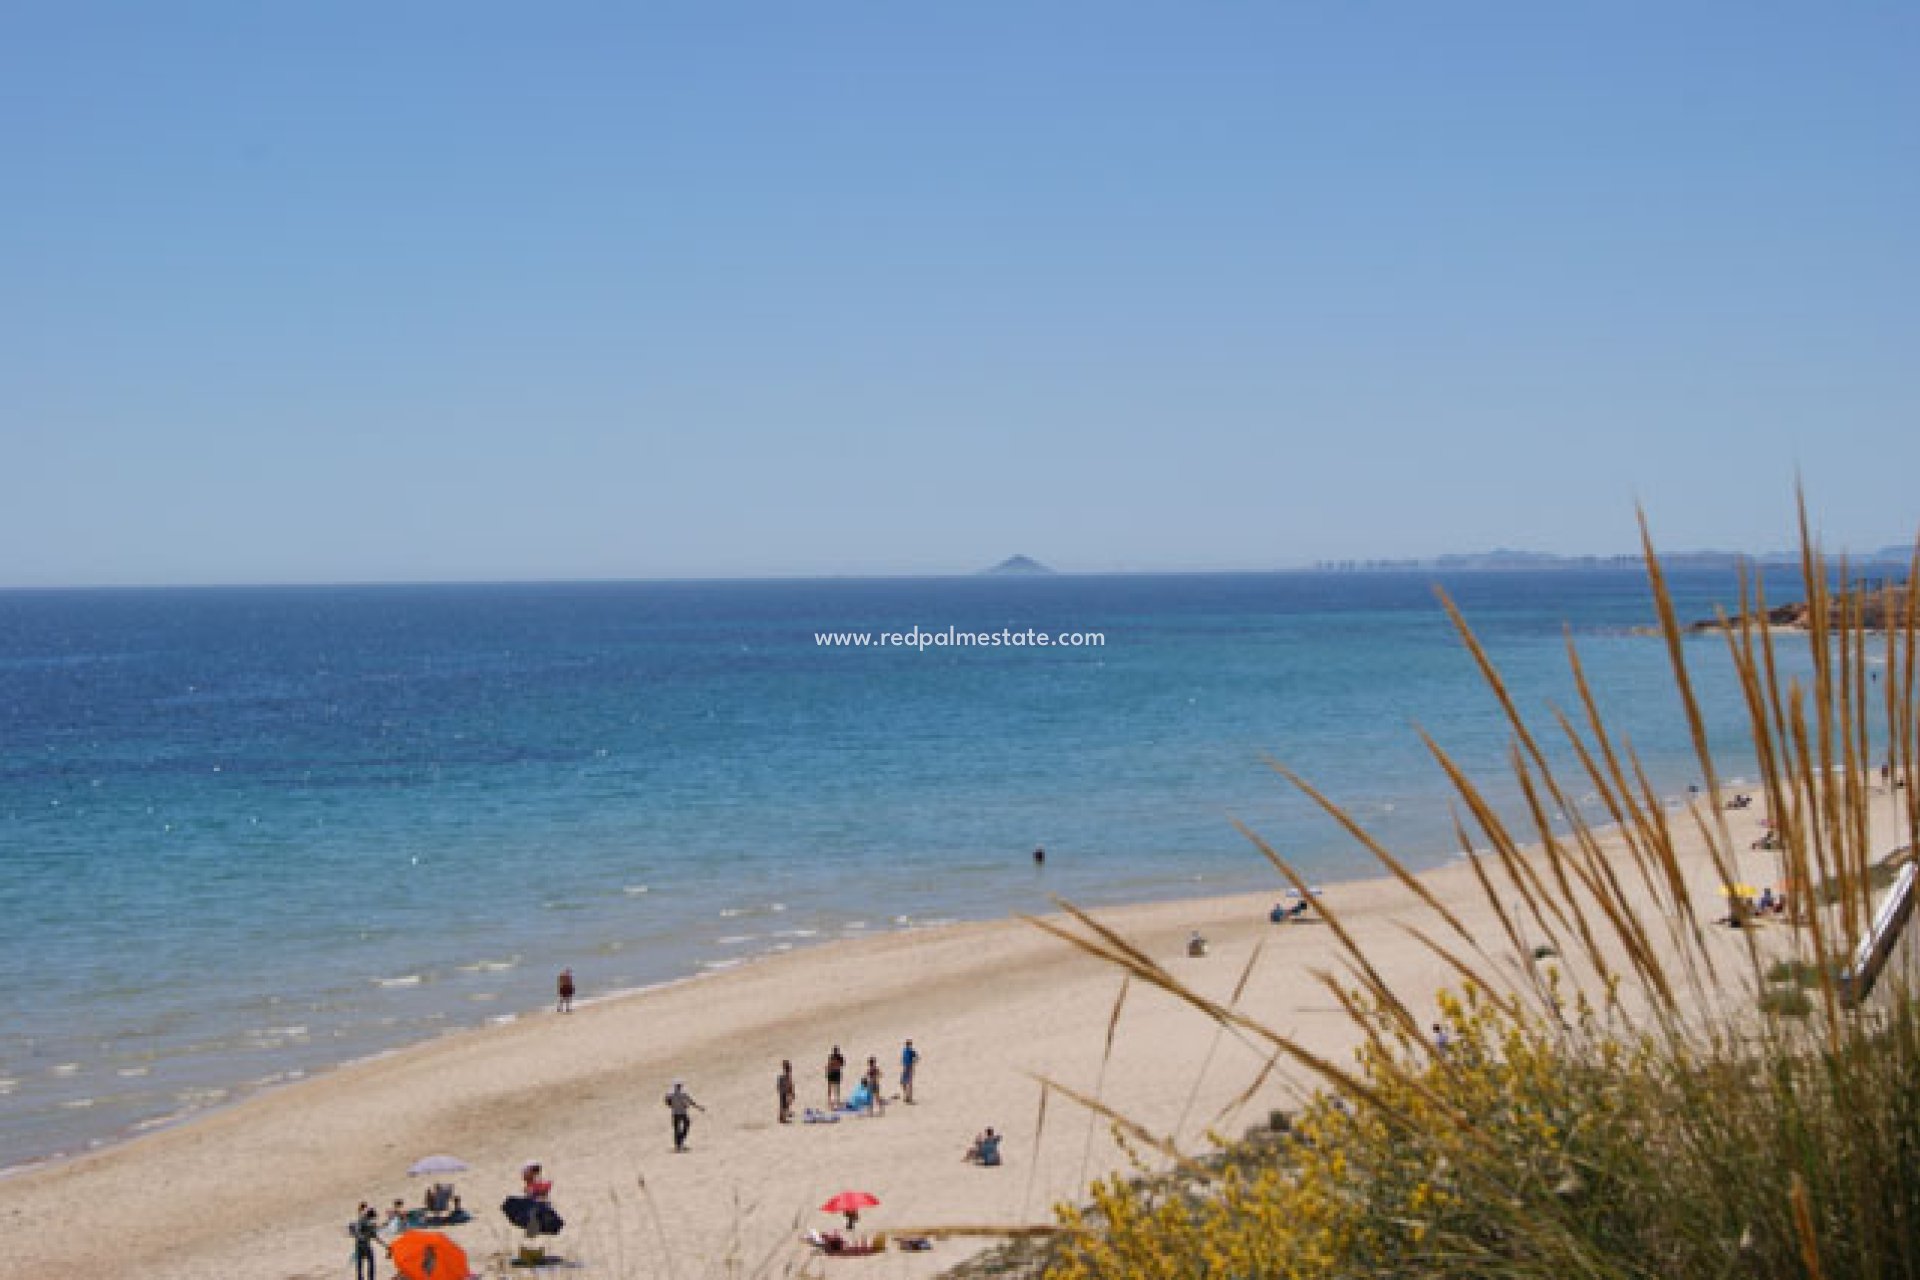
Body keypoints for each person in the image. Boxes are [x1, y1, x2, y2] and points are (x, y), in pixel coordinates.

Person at [665, 1080, 705, 1152]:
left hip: (675, 1113)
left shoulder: (670, 1094)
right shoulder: (683, 1094)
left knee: (677, 1129)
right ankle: (680, 1142)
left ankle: (678, 1145)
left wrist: (672, 1106)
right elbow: (691, 1102)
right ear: (680, 1086)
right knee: (685, 1126)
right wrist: (699, 1107)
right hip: (683, 1113)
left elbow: (667, 1101)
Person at [349, 1204, 382, 1280]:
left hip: (358, 1245)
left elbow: (355, 1231)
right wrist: (386, 1245)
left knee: (360, 1264)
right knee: (371, 1262)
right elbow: (375, 1237)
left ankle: (360, 1278)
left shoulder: (361, 1220)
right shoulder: (370, 1225)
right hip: (366, 1245)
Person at [900, 1038, 920, 1104]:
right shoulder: (905, 1050)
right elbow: (917, 1058)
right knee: (904, 1083)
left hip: (909, 1068)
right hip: (906, 1067)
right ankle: (907, 1096)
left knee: (908, 1083)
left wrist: (913, 1063)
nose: (908, 1045)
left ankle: (909, 1098)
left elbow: (917, 1058)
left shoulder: (911, 1051)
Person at [777, 1059, 796, 1124]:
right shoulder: (786, 1076)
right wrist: (791, 1091)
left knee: (784, 1104)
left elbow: (790, 1083)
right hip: (785, 1090)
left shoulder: (784, 1076)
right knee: (784, 1105)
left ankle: (783, 1116)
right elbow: (790, 1083)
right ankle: (783, 1118)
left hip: (784, 1090)